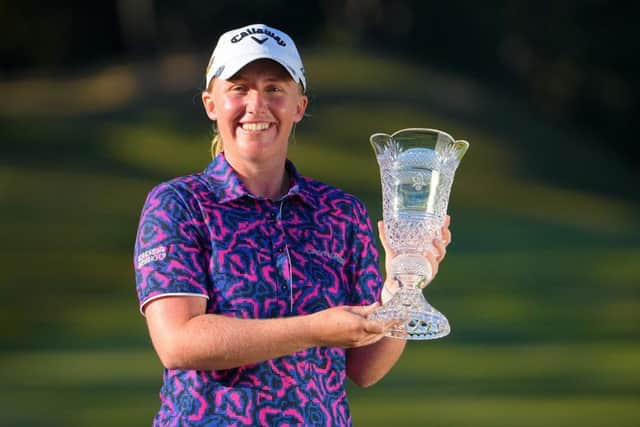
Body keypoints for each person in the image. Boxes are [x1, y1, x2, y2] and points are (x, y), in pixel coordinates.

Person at [133, 23, 452, 427]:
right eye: (239, 88)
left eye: (274, 89)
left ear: (299, 106)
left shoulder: (340, 212)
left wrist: (403, 286)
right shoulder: (180, 204)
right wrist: (315, 329)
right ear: (211, 104)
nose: (257, 105)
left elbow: (366, 368)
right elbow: (179, 343)